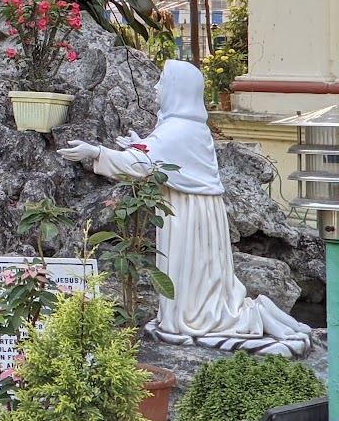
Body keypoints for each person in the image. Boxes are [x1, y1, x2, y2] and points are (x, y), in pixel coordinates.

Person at [58, 59, 312, 357]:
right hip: (194, 209)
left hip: (190, 215)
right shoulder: (185, 126)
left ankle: (243, 317)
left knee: (195, 283)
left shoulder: (179, 129)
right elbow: (157, 154)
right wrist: (139, 145)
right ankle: (235, 314)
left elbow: (143, 165)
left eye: (162, 81)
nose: (155, 86)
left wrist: (96, 152)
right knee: (199, 279)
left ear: (177, 89)